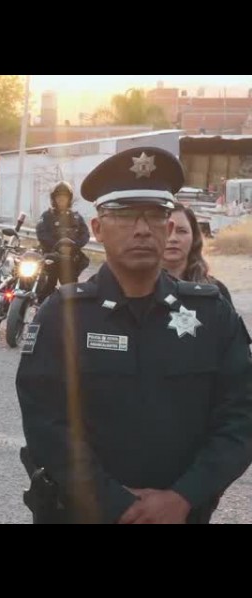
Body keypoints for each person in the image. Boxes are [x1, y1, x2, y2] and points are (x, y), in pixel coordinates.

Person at [16, 146, 252, 524]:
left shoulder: (212, 315)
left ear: (169, 228)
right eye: (125, 215)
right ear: (97, 229)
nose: (142, 229)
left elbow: (240, 418)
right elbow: (47, 425)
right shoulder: (63, 315)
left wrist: (183, 497)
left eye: (155, 215)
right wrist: (117, 504)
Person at [163, 202, 233, 306]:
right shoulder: (141, 291)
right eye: (165, 231)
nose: (173, 238)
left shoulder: (214, 291)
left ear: (194, 238)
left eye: (182, 231)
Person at [35, 181, 91, 299]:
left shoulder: (76, 217)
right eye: (58, 197)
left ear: (69, 199)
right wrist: (58, 246)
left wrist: (74, 246)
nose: (61, 199)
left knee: (71, 293)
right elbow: (41, 234)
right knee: (45, 288)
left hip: (69, 259)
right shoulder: (47, 216)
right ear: (53, 199)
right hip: (50, 258)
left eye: (64, 197)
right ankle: (41, 307)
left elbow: (85, 234)